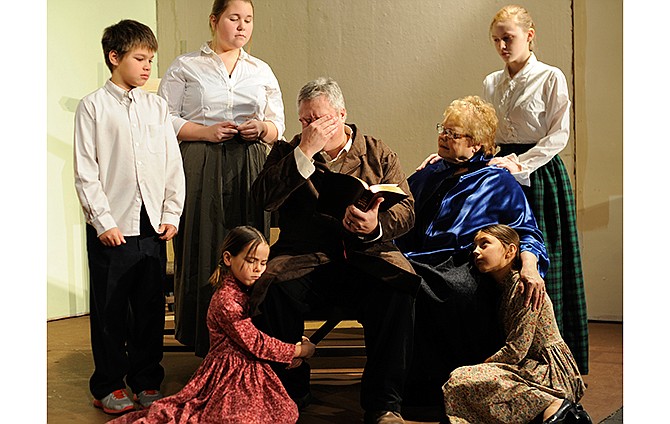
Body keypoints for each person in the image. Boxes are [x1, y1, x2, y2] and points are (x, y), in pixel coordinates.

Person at [249, 77, 421, 424]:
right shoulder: (287, 151)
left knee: (398, 288)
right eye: (305, 121)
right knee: (274, 288)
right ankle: (290, 393)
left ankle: (383, 403)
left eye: (321, 119)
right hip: (305, 258)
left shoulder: (377, 151)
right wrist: (304, 153)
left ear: (341, 114)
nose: (312, 127)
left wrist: (375, 226)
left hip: (367, 257)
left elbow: (407, 212)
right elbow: (262, 199)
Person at [394, 95, 548, 410]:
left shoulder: (497, 180)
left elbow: (528, 232)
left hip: (465, 261)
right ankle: (402, 389)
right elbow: (400, 211)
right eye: (443, 130)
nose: (443, 137)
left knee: (446, 292)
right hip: (418, 257)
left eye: (453, 134)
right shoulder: (431, 172)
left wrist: (530, 268)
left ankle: (445, 392)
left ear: (476, 144)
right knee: (396, 282)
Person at [157, 0, 286, 358]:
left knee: (248, 242)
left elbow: (279, 124)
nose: (242, 26)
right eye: (234, 18)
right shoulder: (187, 66)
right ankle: (203, 338)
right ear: (215, 20)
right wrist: (204, 131)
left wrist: (262, 127)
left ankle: (250, 335)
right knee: (203, 241)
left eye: (248, 20)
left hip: (248, 162)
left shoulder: (260, 70)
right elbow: (163, 117)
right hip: (201, 159)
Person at [73, 20, 185, 415]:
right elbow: (86, 171)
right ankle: (107, 383)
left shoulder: (156, 107)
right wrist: (103, 222)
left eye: (151, 59)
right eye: (140, 58)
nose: (147, 67)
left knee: (151, 310)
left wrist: (172, 211)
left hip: (152, 227)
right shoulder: (93, 107)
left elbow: (172, 164)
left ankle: (146, 379)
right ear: (114, 57)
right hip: (114, 228)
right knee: (110, 310)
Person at [108, 226, 316, 424]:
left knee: (283, 411)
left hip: (252, 366)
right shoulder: (227, 300)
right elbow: (256, 342)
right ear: (228, 258)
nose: (258, 269)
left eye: (263, 263)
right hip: (230, 371)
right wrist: (298, 350)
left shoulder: (249, 289)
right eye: (251, 261)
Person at [484, 4, 589, 373]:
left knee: (546, 258)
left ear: (529, 35)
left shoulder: (550, 77)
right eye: (496, 40)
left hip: (540, 172)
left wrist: (521, 164)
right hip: (502, 174)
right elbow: (489, 133)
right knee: (506, 258)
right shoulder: (491, 82)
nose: (502, 46)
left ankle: (557, 359)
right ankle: (514, 351)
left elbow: (558, 134)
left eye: (508, 38)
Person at [443, 224, 591, 424]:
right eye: (474, 247)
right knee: (461, 380)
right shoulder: (503, 290)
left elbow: (517, 350)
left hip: (550, 372)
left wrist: (482, 366)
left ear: (511, 251)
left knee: (462, 377)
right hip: (528, 367)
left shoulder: (524, 288)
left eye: (484, 244)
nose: (476, 251)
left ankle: (555, 405)